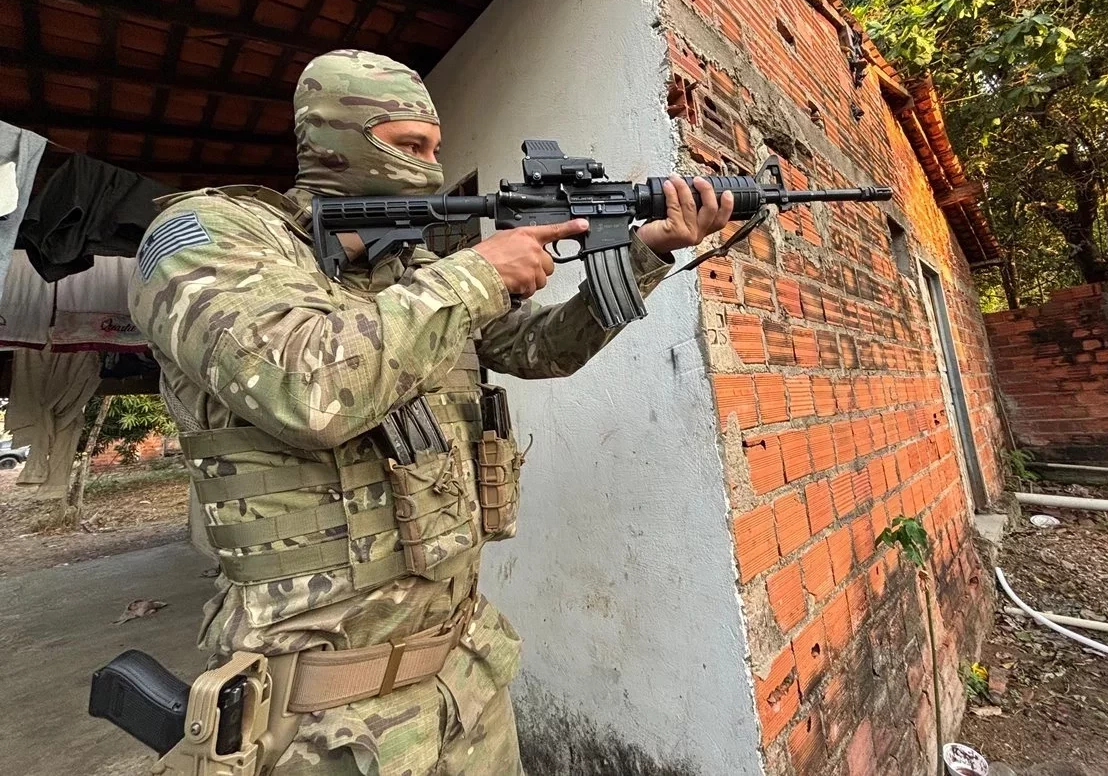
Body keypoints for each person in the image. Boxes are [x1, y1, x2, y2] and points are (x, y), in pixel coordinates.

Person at [128, 49, 734, 775]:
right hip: (318, 721)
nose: (428, 166)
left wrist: (641, 253)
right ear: (333, 139)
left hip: (465, 682)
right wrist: (480, 271)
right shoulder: (210, 237)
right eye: (406, 145)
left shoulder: (412, 274)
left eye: (435, 148)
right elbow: (305, 389)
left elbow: (541, 349)